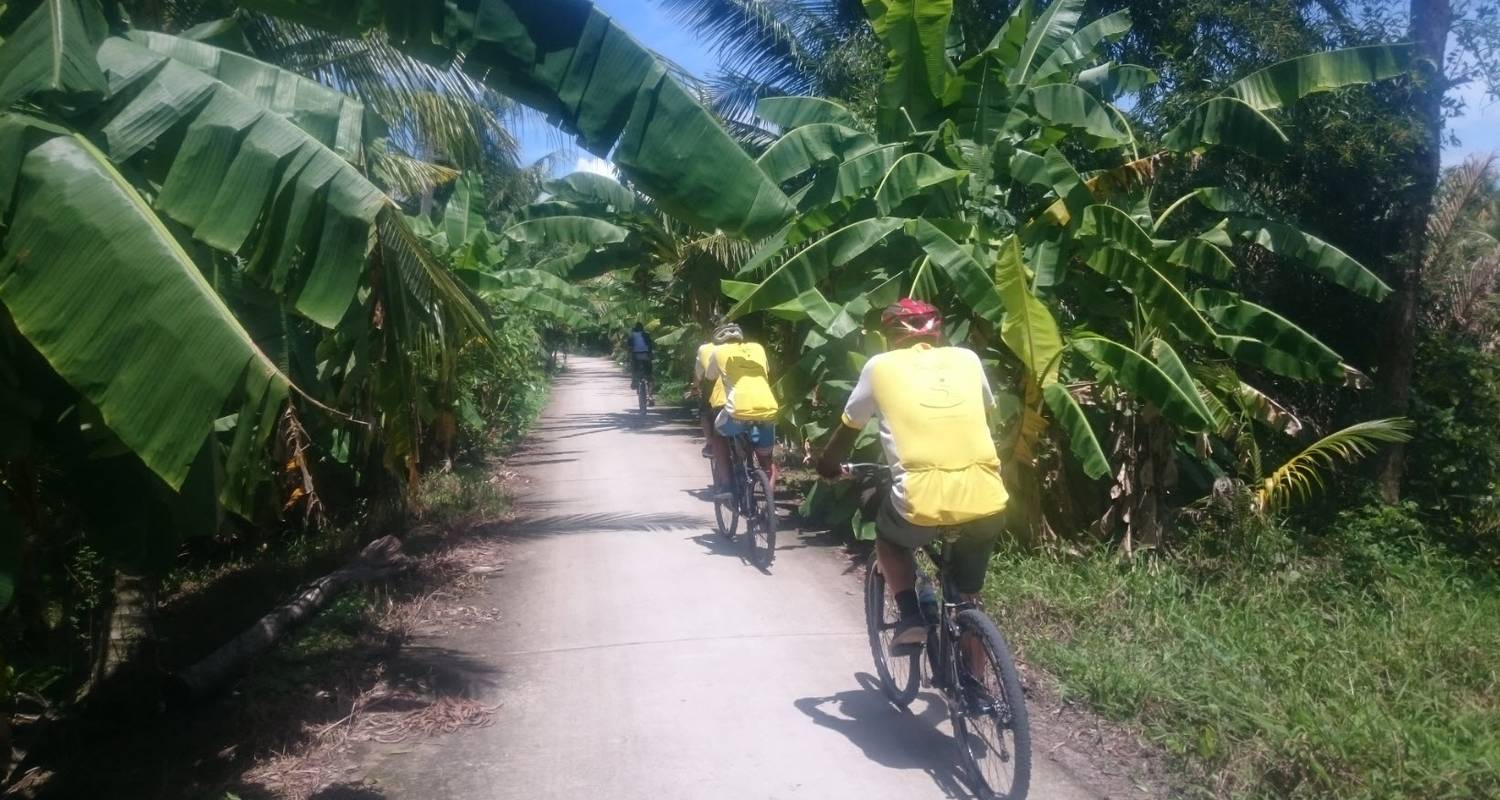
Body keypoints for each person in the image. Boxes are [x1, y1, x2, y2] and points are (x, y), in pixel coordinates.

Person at [816, 299, 1009, 653]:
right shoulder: (967, 359)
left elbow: (847, 430)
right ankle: (979, 691)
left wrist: (827, 468)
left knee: (889, 540)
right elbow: (985, 410)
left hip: (921, 500)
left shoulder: (879, 367)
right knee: (968, 598)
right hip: (988, 495)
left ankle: (909, 617)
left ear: (889, 335)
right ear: (938, 332)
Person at [703, 324, 779, 494]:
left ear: (718, 341)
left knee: (717, 435)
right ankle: (769, 503)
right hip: (768, 410)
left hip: (737, 411)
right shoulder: (758, 348)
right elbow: (766, 370)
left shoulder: (718, 351)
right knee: (766, 459)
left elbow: (710, 376)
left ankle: (726, 483)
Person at [692, 327, 731, 468]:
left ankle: (710, 443)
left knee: (705, 413)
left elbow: (701, 375)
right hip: (740, 392)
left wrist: (694, 387)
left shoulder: (706, 349)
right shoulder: (748, 349)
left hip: (715, 392)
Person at [626, 322, 654, 402]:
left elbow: (629, 348)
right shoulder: (646, 334)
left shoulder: (632, 336)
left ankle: (634, 381)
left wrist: (627, 358)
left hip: (635, 355)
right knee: (649, 376)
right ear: (642, 329)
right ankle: (650, 396)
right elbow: (650, 346)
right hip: (646, 355)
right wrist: (651, 355)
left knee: (634, 369)